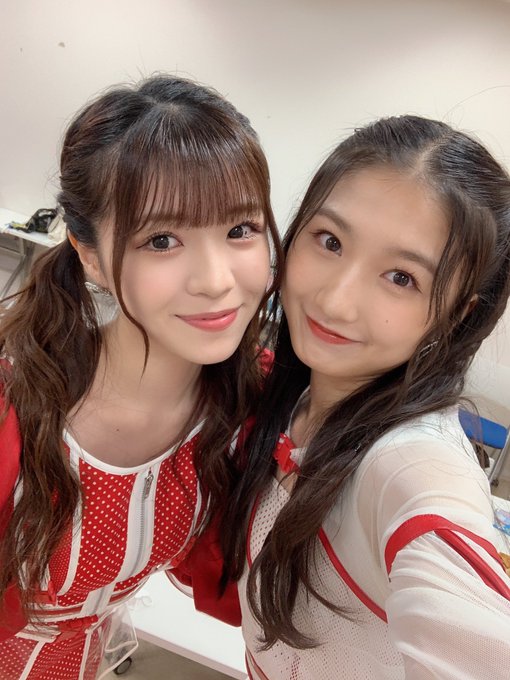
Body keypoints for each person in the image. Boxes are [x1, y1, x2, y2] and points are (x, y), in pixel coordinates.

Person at [0, 74, 281, 679]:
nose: (216, 280)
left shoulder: (248, 406)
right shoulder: (16, 409)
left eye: (240, 230)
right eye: (162, 239)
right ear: (89, 254)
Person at [219, 115, 510, 679]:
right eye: (330, 241)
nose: (336, 300)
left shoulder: (411, 466)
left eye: (401, 277)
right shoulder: (297, 401)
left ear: (457, 314)